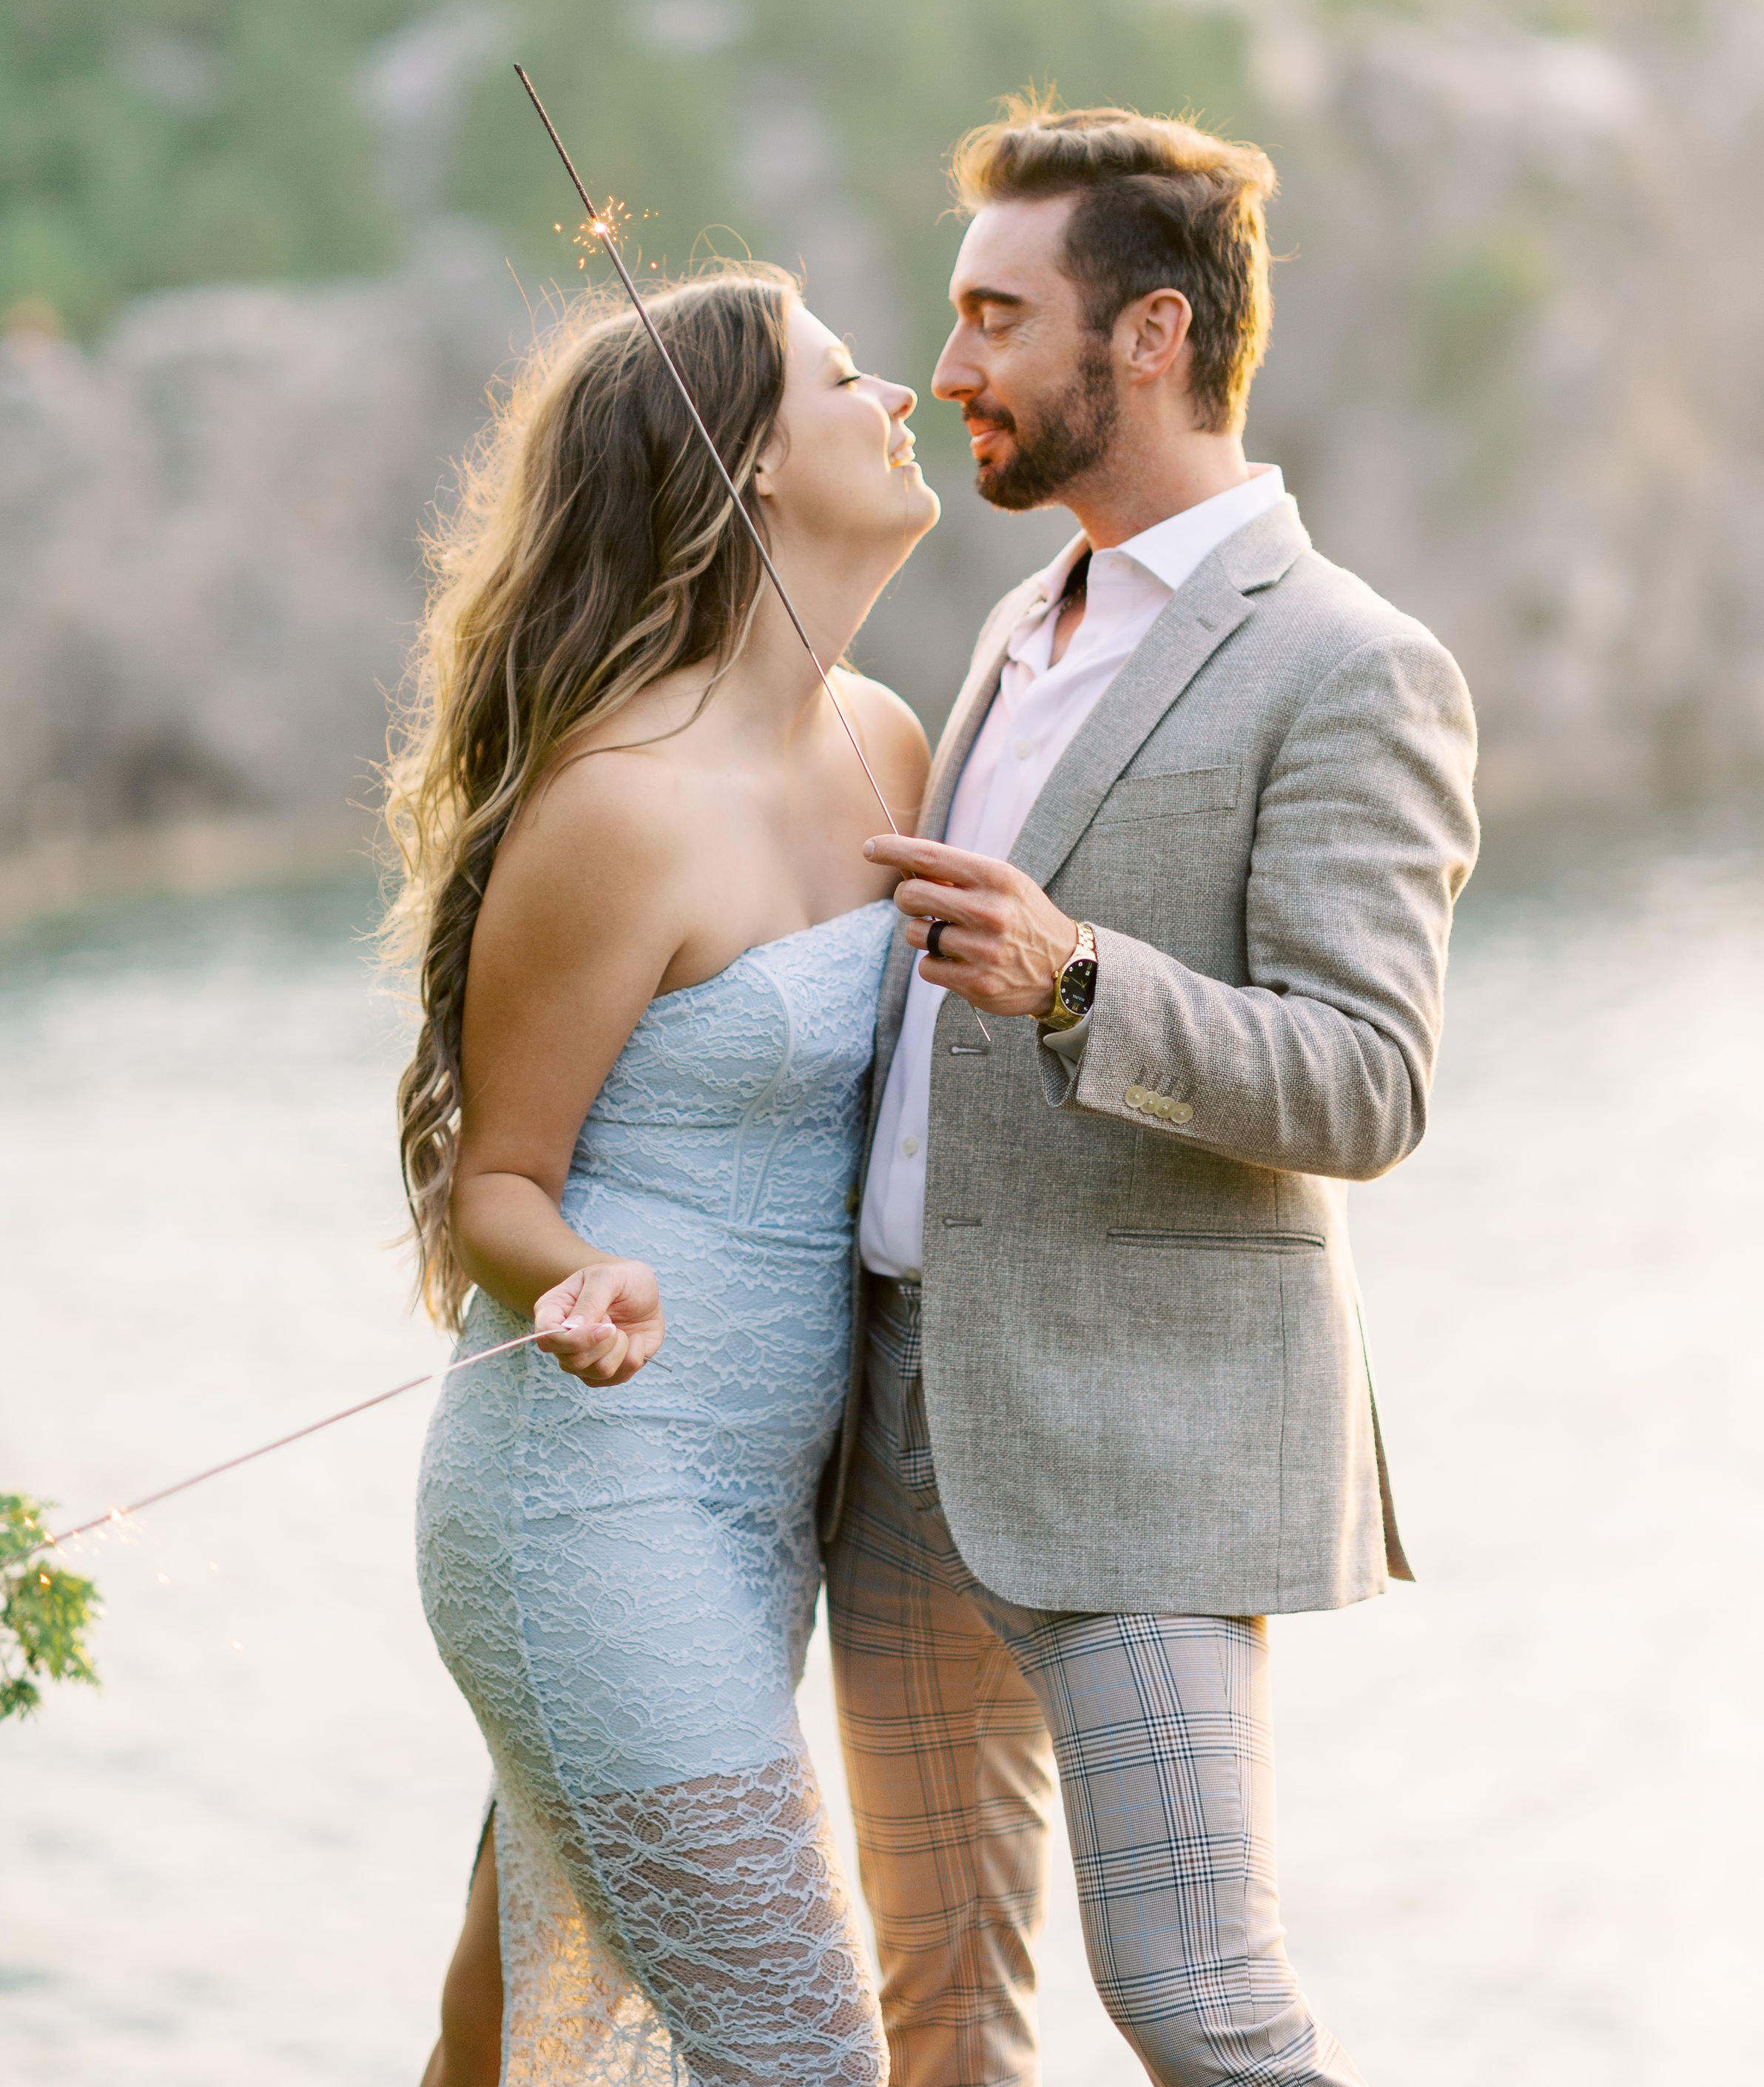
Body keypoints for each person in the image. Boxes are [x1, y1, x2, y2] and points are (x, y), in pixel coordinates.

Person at [827, 104, 1480, 2087]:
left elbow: (1367, 1083)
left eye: (992, 319)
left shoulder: (1355, 665)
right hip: (895, 1429)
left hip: (1147, 1447)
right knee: (939, 2002)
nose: (946, 372)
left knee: (1195, 2004)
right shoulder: (1025, 624)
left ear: (1151, 335)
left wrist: (1076, 975)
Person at [391, 270, 939, 2087]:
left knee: (518, 2004)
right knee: (800, 2051)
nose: (901, 399)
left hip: (767, 1515)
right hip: (593, 1498)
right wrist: (571, 1280)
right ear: (752, 469)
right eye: (849, 377)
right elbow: (499, 1180)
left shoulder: (888, 745)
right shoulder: (616, 807)